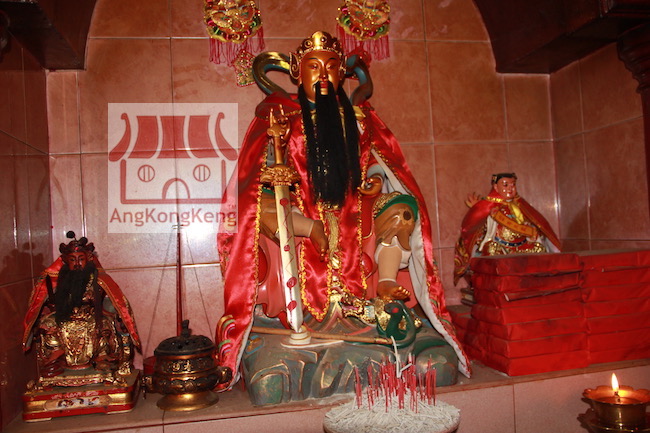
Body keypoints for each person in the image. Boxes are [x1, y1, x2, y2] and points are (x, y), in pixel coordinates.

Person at [216, 31, 470, 397]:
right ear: (296, 73)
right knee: (260, 211)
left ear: (342, 74)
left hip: (356, 215)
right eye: (313, 67)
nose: (323, 75)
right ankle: (300, 317)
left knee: (403, 209)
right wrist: (278, 176)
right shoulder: (280, 117)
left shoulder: (359, 118)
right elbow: (254, 179)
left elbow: (380, 164)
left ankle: (384, 285)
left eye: (331, 67)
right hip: (300, 219)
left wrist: (375, 182)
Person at [22, 232, 141, 386]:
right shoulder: (57, 280)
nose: (77, 263)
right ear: (66, 260)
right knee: (47, 324)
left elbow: (114, 300)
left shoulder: (97, 279)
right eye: (73, 260)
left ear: (88, 258)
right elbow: (44, 301)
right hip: (64, 316)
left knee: (105, 325)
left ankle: (101, 357)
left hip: (92, 315)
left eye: (81, 259)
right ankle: (56, 359)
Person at [454, 173, 562, 285]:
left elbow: (533, 222)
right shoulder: (489, 206)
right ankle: (501, 283)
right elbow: (478, 226)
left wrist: (532, 232)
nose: (510, 188)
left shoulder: (520, 205)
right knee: (491, 250)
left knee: (539, 249)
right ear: (496, 187)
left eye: (513, 185)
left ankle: (535, 282)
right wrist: (478, 210)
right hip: (501, 245)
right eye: (505, 185)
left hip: (522, 246)